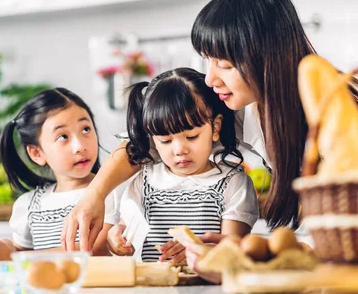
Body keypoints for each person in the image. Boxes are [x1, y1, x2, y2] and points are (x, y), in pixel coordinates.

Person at [60, 0, 358, 276]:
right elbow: (142, 146)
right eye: (208, 60)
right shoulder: (250, 105)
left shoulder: (335, 115)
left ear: (267, 58)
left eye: (225, 64)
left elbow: (350, 228)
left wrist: (256, 256)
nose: (210, 78)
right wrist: (95, 194)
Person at [105, 68, 259, 264]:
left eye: (192, 137)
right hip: (152, 290)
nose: (179, 150)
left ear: (215, 128)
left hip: (210, 290)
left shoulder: (233, 184)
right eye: (166, 141)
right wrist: (117, 236)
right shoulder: (143, 182)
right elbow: (126, 227)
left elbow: (233, 249)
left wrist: (201, 253)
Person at [0, 88, 119, 261]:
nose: (80, 145)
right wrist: (3, 247)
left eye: (86, 129)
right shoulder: (29, 205)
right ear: (37, 153)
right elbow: (20, 247)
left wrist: (13, 257)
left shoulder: (108, 192)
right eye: (63, 136)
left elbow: (92, 249)